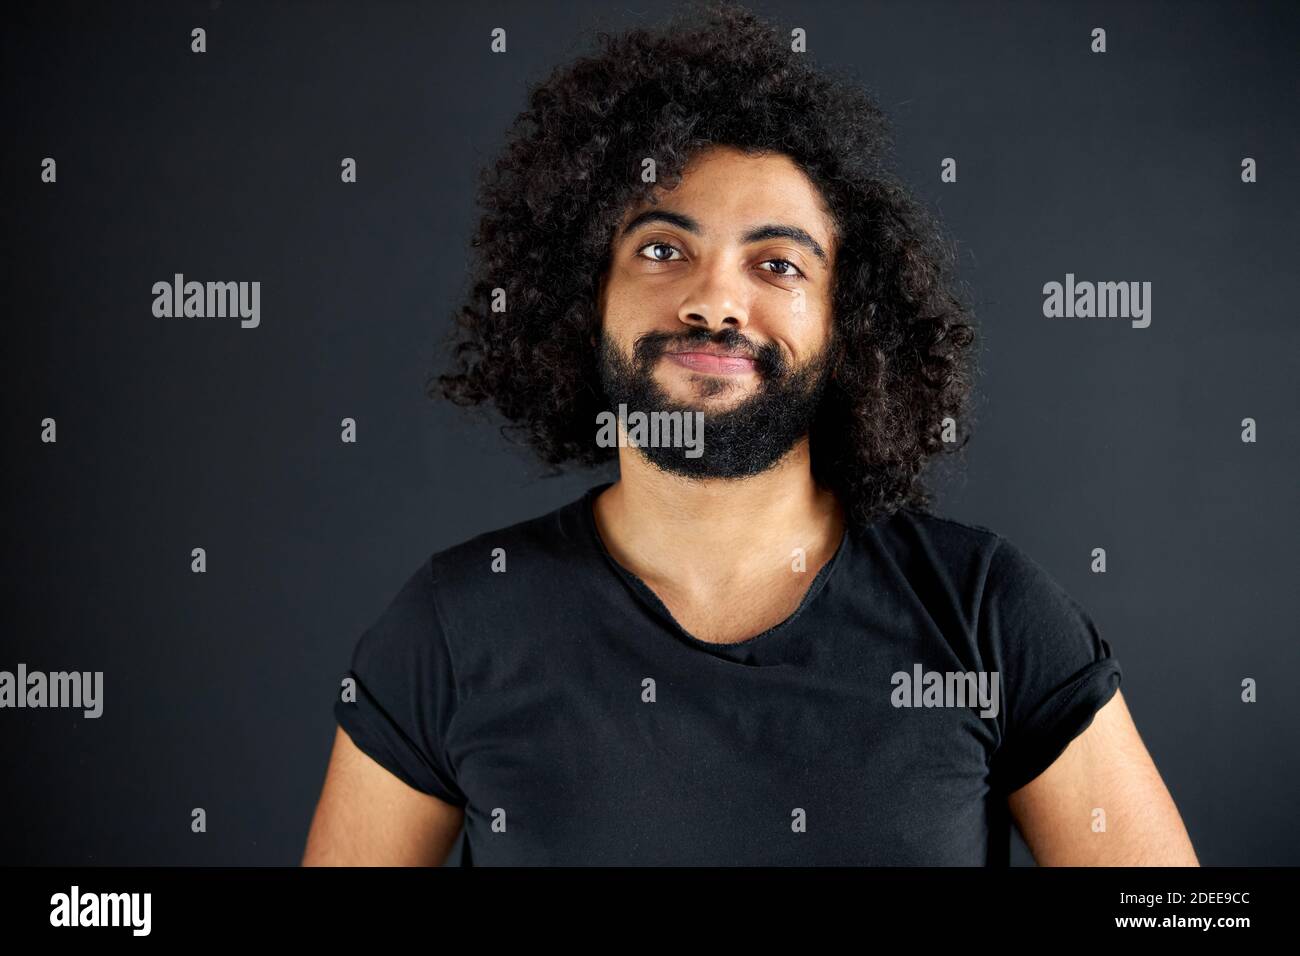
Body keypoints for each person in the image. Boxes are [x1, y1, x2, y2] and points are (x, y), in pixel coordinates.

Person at [302, 0, 1197, 866]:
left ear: (849, 326)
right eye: (661, 248)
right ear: (586, 297)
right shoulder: (455, 626)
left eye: (777, 264)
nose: (715, 300)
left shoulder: (983, 612)